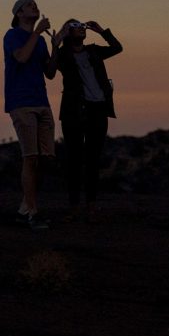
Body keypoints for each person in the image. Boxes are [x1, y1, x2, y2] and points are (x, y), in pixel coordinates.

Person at [51, 19, 123, 221]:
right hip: (73, 111)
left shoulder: (94, 51)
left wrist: (102, 31)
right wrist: (57, 41)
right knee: (74, 160)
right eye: (75, 26)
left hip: (98, 110)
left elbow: (117, 48)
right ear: (68, 33)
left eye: (82, 26)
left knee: (93, 159)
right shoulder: (64, 55)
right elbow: (51, 66)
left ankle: (91, 206)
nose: (81, 28)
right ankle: (74, 207)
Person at [3, 0, 57, 230]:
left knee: (46, 158)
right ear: (18, 13)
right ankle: (32, 213)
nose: (35, 7)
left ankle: (26, 206)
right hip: (21, 102)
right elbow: (22, 57)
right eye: (29, 5)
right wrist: (37, 33)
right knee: (30, 157)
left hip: (42, 102)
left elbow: (51, 73)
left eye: (35, 4)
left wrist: (56, 46)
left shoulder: (42, 41)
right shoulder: (12, 35)